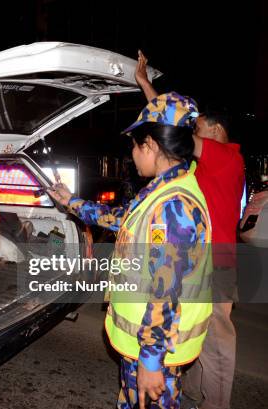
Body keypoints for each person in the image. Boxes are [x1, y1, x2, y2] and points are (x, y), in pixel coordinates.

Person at [49, 92, 212, 408]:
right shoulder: (168, 187)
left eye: (134, 147)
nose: (132, 155)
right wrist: (72, 202)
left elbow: (166, 290)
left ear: (150, 144)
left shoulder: (173, 205)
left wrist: (151, 361)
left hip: (155, 349)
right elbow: (122, 217)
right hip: (152, 345)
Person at [135, 50, 244, 409]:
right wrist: (146, 87)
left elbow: (176, 133)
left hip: (218, 266)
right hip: (203, 263)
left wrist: (150, 91)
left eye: (198, 128)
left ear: (214, 130)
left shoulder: (227, 157)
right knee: (194, 338)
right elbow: (173, 131)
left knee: (216, 346)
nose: (193, 133)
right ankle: (198, 398)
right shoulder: (209, 166)